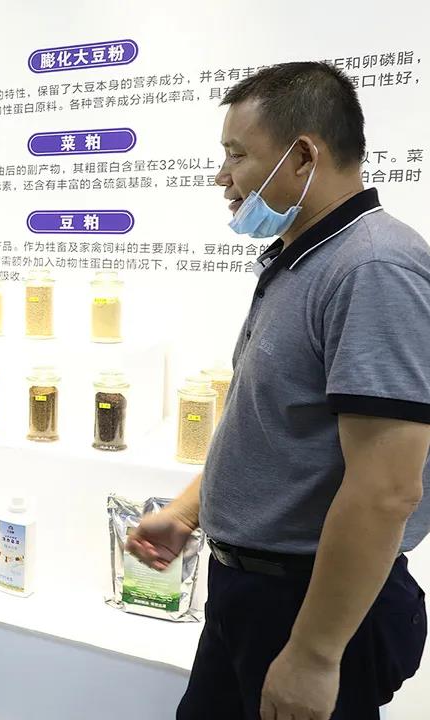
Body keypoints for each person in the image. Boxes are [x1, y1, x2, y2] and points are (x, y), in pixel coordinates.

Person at [128, 61, 430, 720]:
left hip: (306, 605)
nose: (223, 176)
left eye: (237, 155)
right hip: (250, 594)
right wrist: (188, 512)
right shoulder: (304, 259)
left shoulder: (373, 268)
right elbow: (275, 428)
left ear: (302, 156)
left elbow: (386, 488)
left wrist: (315, 655)